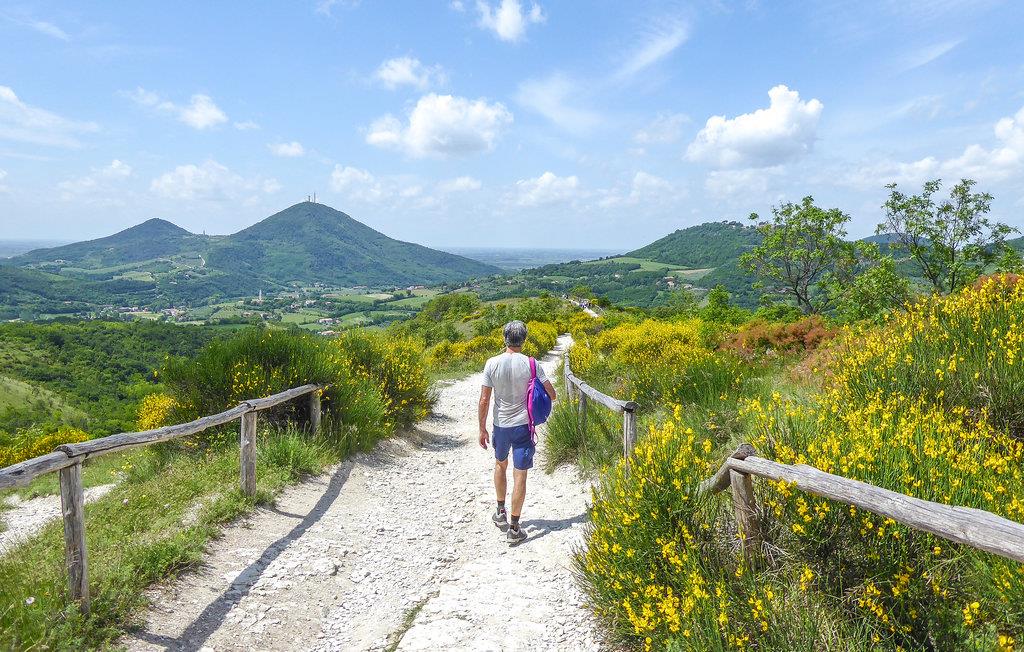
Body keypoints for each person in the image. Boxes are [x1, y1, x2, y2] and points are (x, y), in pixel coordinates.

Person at [478, 320, 557, 543]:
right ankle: (514, 528)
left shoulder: (492, 363)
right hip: (523, 426)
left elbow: (484, 400)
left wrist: (482, 428)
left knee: (500, 464)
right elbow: (552, 394)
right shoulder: (532, 364)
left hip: (500, 425)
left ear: (504, 338)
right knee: (520, 474)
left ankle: (500, 511)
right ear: (524, 339)